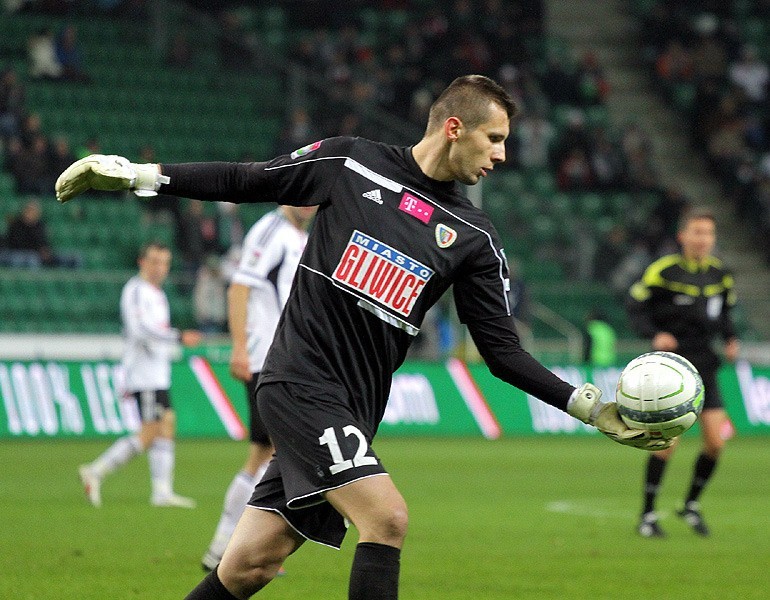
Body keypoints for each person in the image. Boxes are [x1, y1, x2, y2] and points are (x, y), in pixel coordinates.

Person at [56, 75, 666, 600]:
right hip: (298, 383)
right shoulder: (351, 163)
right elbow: (249, 178)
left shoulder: (473, 237)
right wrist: (137, 176)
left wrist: (586, 406)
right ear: (455, 127)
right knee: (387, 518)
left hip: (355, 408)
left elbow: (502, 351)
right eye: (496, 138)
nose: (502, 156)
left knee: (247, 567)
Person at [202, 204, 316, 572]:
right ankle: (230, 546)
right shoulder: (270, 230)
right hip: (268, 361)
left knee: (268, 454)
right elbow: (239, 288)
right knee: (270, 455)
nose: (309, 203)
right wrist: (239, 348)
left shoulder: (301, 237)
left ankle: (229, 546)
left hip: (287, 362)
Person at [627, 207, 740, 538]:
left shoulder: (720, 276)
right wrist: (653, 333)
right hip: (671, 366)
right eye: (697, 232)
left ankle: (690, 504)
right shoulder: (663, 272)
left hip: (705, 364)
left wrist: (731, 339)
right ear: (682, 236)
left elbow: (726, 315)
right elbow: (635, 305)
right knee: (666, 444)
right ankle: (647, 515)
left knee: (716, 444)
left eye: (708, 233)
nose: (703, 239)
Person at [77, 242, 202, 508]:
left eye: (164, 263)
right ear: (142, 262)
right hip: (143, 374)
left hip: (158, 372)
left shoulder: (158, 294)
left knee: (166, 424)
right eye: (154, 261)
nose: (160, 268)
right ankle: (96, 471)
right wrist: (177, 336)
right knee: (150, 431)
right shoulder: (136, 291)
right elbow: (140, 329)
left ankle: (162, 491)